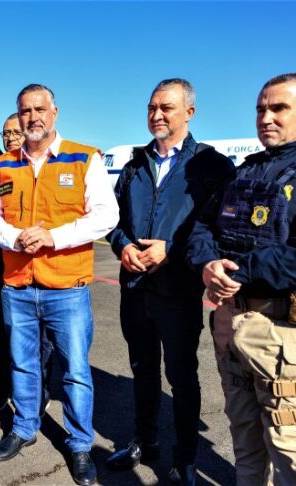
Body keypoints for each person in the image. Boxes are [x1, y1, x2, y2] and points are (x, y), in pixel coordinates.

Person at [187, 72, 296, 485]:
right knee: (244, 437)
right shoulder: (243, 173)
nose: (266, 117)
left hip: (288, 332)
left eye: (279, 108)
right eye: (260, 109)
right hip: (231, 321)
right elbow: (201, 230)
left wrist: (239, 273)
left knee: (291, 445)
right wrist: (208, 264)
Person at [0, 84, 119, 485]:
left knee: (75, 371)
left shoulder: (83, 157)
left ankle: (78, 443)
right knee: (23, 364)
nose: (32, 117)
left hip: (66, 287)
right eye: (25, 111)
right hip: (19, 285)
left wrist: (53, 237)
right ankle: (24, 427)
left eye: (40, 109)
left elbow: (105, 216)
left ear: (55, 112)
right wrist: (15, 238)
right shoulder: (4, 165)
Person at [105, 79, 234, 484]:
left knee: (181, 376)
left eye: (167, 108)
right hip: (134, 289)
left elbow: (218, 229)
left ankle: (186, 457)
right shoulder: (133, 164)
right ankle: (144, 440)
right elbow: (113, 222)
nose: (157, 115)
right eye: (152, 107)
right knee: (142, 369)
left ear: (189, 113)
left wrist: (172, 250)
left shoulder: (212, 166)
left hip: (178, 292)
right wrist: (123, 246)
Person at [0, 113, 54, 416]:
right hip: (5, 267)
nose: (10, 138)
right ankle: (3, 390)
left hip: (43, 268)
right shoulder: (0, 169)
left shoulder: (40, 168)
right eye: (5, 133)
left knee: (41, 339)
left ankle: (40, 390)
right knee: (4, 332)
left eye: (15, 132)